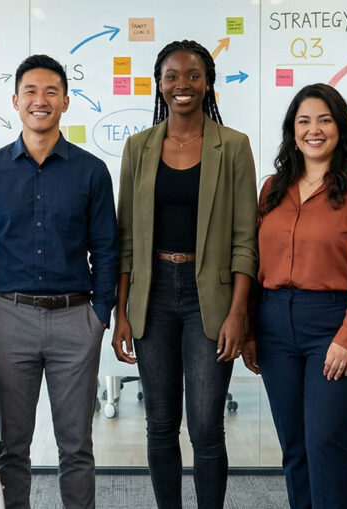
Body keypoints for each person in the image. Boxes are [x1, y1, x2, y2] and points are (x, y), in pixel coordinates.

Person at [0, 54, 117, 509]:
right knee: (10, 446)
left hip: (75, 320)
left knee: (76, 447)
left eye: (50, 92)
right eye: (31, 91)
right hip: (11, 318)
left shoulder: (90, 171)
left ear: (65, 101)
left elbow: (107, 248)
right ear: (15, 101)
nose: (40, 101)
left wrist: (100, 315)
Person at [111, 39, 257, 509]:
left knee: (206, 426)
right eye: (172, 76)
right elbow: (127, 239)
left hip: (207, 299)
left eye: (193, 75)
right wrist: (122, 313)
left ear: (208, 82)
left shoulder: (233, 146)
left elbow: (244, 240)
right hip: (152, 294)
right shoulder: (138, 148)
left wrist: (239, 313)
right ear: (159, 83)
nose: (182, 85)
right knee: (159, 423)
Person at [246, 84, 347, 509]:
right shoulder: (273, 187)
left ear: (341, 128)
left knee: (325, 443)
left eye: (324, 120)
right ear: (292, 131)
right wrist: (252, 329)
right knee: (294, 446)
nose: (314, 130)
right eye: (304, 121)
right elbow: (258, 263)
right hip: (275, 324)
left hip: (336, 323)